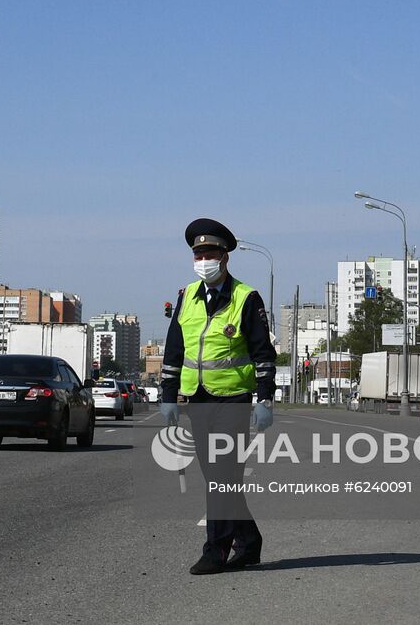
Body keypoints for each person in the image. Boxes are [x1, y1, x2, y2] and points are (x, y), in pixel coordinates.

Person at [159, 218, 277, 575]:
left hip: (233, 401)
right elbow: (174, 349)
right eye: (198, 254)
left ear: (225, 257)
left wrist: (264, 399)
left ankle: (215, 551)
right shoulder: (186, 297)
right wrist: (167, 395)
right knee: (216, 477)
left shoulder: (246, 297)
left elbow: (263, 353)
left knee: (224, 475)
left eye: (209, 253)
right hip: (198, 400)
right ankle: (249, 540)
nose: (203, 260)